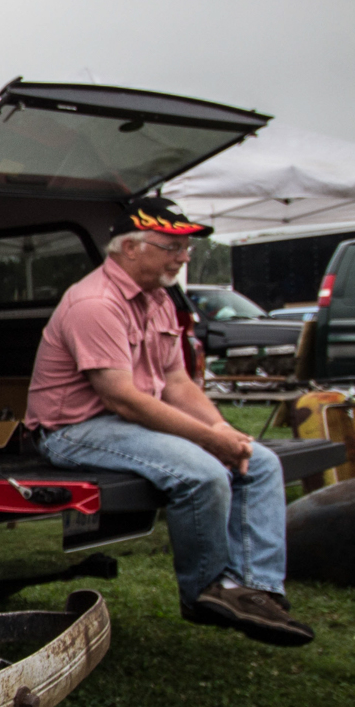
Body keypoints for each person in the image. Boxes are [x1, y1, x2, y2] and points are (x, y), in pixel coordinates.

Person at [25, 197, 313, 646]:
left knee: (260, 463)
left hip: (127, 424)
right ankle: (205, 592)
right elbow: (123, 400)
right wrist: (209, 443)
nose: (182, 257)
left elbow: (176, 381)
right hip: (71, 432)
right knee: (202, 474)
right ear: (131, 248)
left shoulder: (158, 299)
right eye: (171, 246)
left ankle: (253, 590)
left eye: (186, 249)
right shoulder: (94, 302)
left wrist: (222, 431)